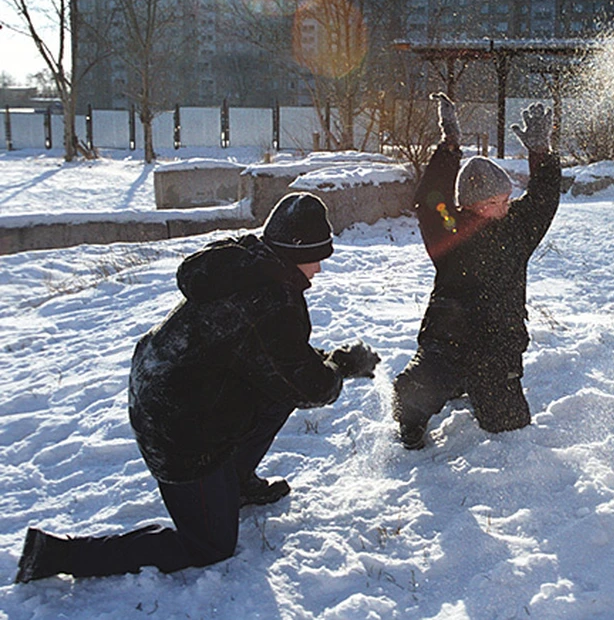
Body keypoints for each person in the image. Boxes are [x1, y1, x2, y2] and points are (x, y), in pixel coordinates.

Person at [15, 192, 380, 583]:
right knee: (209, 546)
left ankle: (234, 484)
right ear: (296, 251)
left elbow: (271, 359)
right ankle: (58, 555)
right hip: (179, 430)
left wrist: (328, 361)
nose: (320, 268)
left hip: (167, 388)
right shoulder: (272, 300)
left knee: (276, 395)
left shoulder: (248, 262)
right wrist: (341, 365)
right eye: (317, 256)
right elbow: (309, 387)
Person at [392, 93, 562, 450]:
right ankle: (425, 408)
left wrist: (541, 155)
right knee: (411, 393)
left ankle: (474, 387)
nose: (504, 208)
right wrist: (449, 147)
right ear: (470, 205)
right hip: (447, 343)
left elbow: (544, 198)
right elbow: (429, 199)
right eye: (493, 203)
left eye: (505, 199)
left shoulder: (517, 228)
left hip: (497, 348)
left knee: (510, 429)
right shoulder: (449, 231)